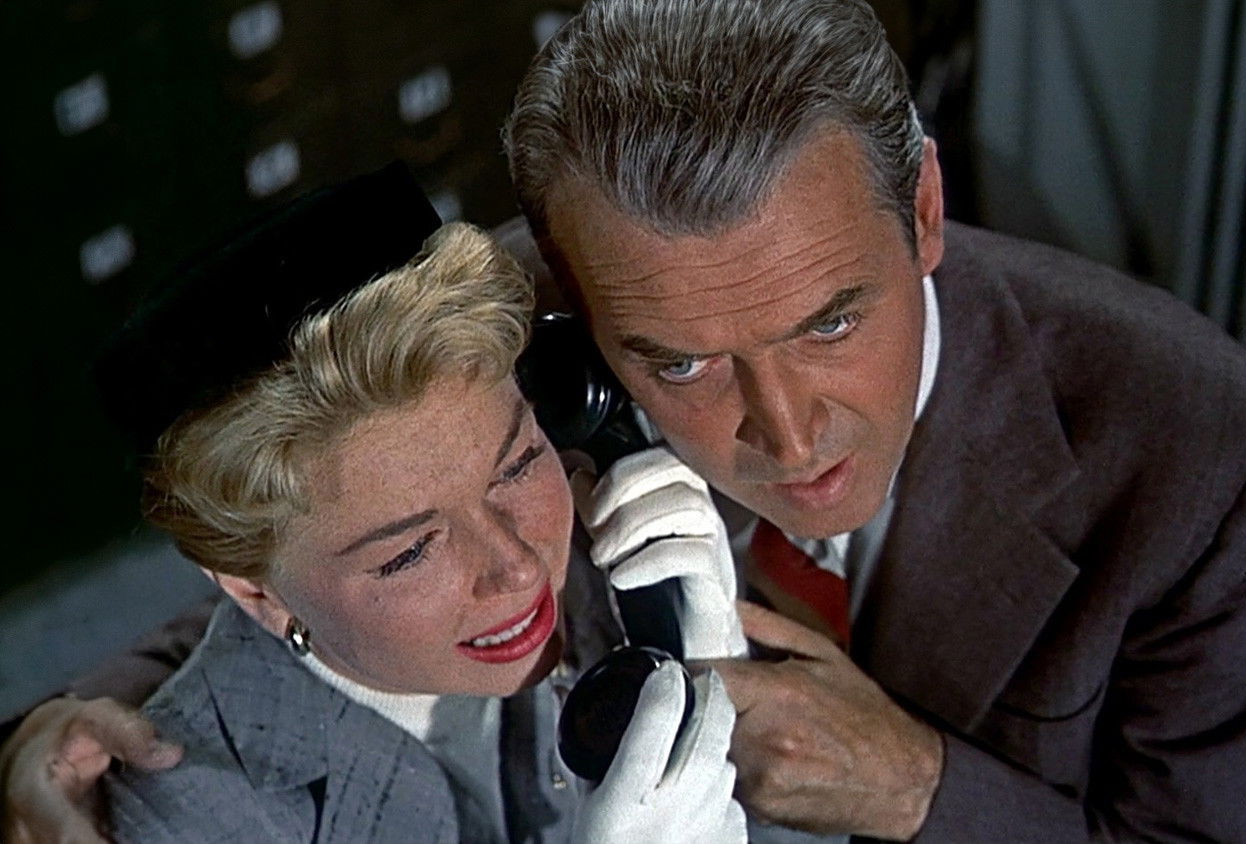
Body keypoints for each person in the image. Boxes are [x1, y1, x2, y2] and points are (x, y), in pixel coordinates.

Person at [3, 1, 1246, 841]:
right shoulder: (505, 320)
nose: (788, 436)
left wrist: (919, 787)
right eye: (681, 362)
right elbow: (311, 537)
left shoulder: (1212, 454)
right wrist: (68, 729)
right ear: (570, 302)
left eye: (832, 322)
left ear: (925, 209)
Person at [32, 166, 749, 842]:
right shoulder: (184, 822)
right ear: (255, 591)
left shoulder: (619, 566)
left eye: (519, 464)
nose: (519, 568)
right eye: (409, 553)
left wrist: (725, 682)